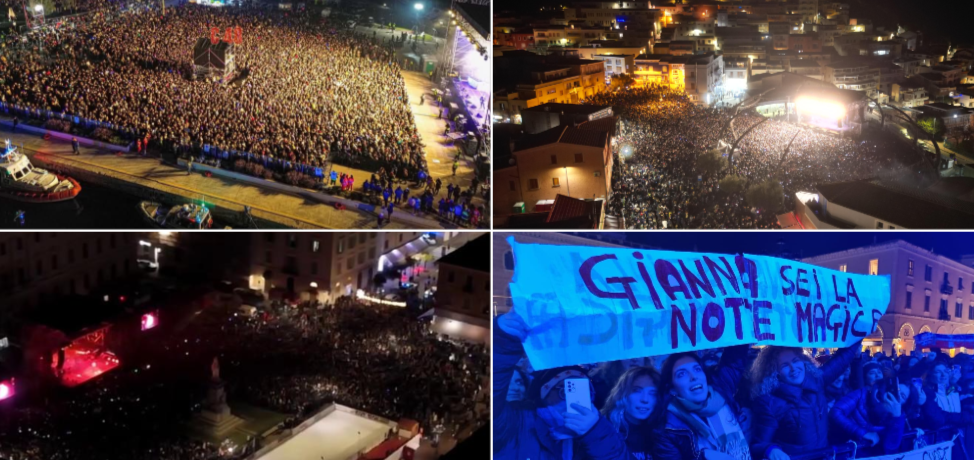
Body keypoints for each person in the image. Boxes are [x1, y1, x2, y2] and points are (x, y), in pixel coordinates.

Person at [495, 311, 629, 460]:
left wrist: (595, 433)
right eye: (564, 391)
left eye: (584, 392)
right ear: (546, 393)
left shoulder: (598, 432)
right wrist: (503, 341)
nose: (571, 400)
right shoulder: (515, 424)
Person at [749, 342, 861, 460]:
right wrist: (770, 450)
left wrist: (861, 329)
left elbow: (841, 359)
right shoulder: (769, 402)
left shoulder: (817, 381)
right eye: (784, 366)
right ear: (774, 373)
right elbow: (759, 444)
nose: (793, 368)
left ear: (803, 361)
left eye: (796, 360)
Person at [650, 345, 752, 460]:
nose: (693, 377)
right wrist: (703, 457)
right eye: (682, 374)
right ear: (672, 389)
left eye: (697, 369)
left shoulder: (721, 391)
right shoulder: (666, 431)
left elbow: (736, 354)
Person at [828, 363, 909, 456]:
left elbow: (891, 447)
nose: (877, 375)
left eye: (902, 396)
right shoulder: (861, 394)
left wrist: (897, 417)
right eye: (872, 373)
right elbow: (836, 411)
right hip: (852, 451)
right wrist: (863, 433)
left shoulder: (896, 410)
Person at [601, 366, 661, 459]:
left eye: (653, 393)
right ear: (623, 394)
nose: (645, 399)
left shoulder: (662, 428)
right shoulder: (606, 429)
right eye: (637, 391)